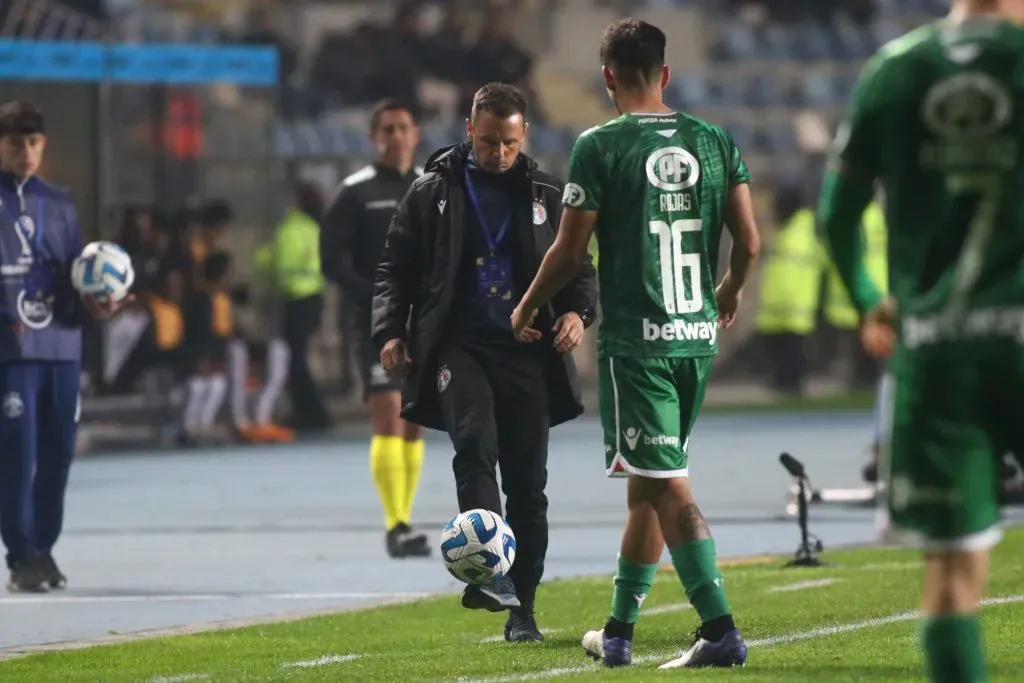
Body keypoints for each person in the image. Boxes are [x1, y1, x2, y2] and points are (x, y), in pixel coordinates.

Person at [511, 20, 760, 669]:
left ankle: (720, 627)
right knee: (648, 484)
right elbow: (751, 242)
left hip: (639, 343)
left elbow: (568, 251)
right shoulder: (714, 139)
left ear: (608, 78)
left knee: (666, 484)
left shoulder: (601, 145)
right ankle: (617, 632)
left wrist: (528, 304)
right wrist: (729, 288)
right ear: (667, 74)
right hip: (696, 338)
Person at [817, 3, 1024, 681]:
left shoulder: (894, 71)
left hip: (938, 351)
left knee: (950, 579)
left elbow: (837, 216)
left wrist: (870, 300)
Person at [373, 82, 597, 642]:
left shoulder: (548, 192)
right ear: (470, 129)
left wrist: (577, 315)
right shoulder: (431, 193)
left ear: (525, 136)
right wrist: (390, 329)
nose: (499, 153)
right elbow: (393, 269)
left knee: (528, 486)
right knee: (474, 443)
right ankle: (488, 573)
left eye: (510, 143)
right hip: (459, 345)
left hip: (527, 350)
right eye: (490, 141)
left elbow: (579, 267)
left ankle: (524, 608)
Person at [0, 100, 126, 592]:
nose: (25, 153)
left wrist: (98, 305)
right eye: (14, 143)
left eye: (33, 143)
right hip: (11, 351)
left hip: (62, 346)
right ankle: (20, 555)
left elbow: (76, 272)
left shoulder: (60, 201)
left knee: (58, 455)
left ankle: (44, 549)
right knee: (16, 455)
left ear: (44, 146)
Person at [321, 99, 430, 558]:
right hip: (375, 322)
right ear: (373, 137)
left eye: (402, 127)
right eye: (386, 129)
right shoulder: (354, 192)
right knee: (387, 411)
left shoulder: (431, 185)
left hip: (423, 321)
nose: (395, 136)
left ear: (416, 133)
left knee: (415, 420)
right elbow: (332, 262)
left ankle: (405, 517)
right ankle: (396, 524)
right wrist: (382, 302)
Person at [272, 182, 329, 432]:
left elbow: (282, 267)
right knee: (298, 358)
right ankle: (311, 412)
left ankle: (310, 413)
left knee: (294, 359)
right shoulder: (313, 227)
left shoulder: (290, 228)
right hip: (313, 297)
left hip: (296, 299)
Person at [180, 251, 234, 445]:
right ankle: (188, 427)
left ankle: (204, 425)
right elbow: (196, 333)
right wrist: (200, 361)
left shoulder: (222, 299)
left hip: (214, 357)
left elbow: (223, 334)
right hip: (197, 359)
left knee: (217, 384)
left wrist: (218, 360)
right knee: (197, 387)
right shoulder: (200, 299)